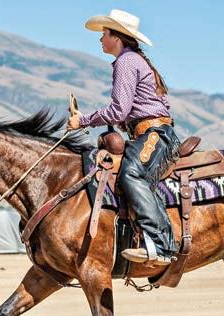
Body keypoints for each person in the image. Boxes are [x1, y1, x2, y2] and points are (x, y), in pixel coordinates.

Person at [67, 9, 181, 267]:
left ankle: (161, 245)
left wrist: (82, 120)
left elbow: (119, 110)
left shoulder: (126, 62)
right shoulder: (135, 60)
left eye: (104, 33)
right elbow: (134, 110)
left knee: (131, 173)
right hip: (152, 132)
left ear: (116, 37)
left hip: (154, 134)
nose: (100, 39)